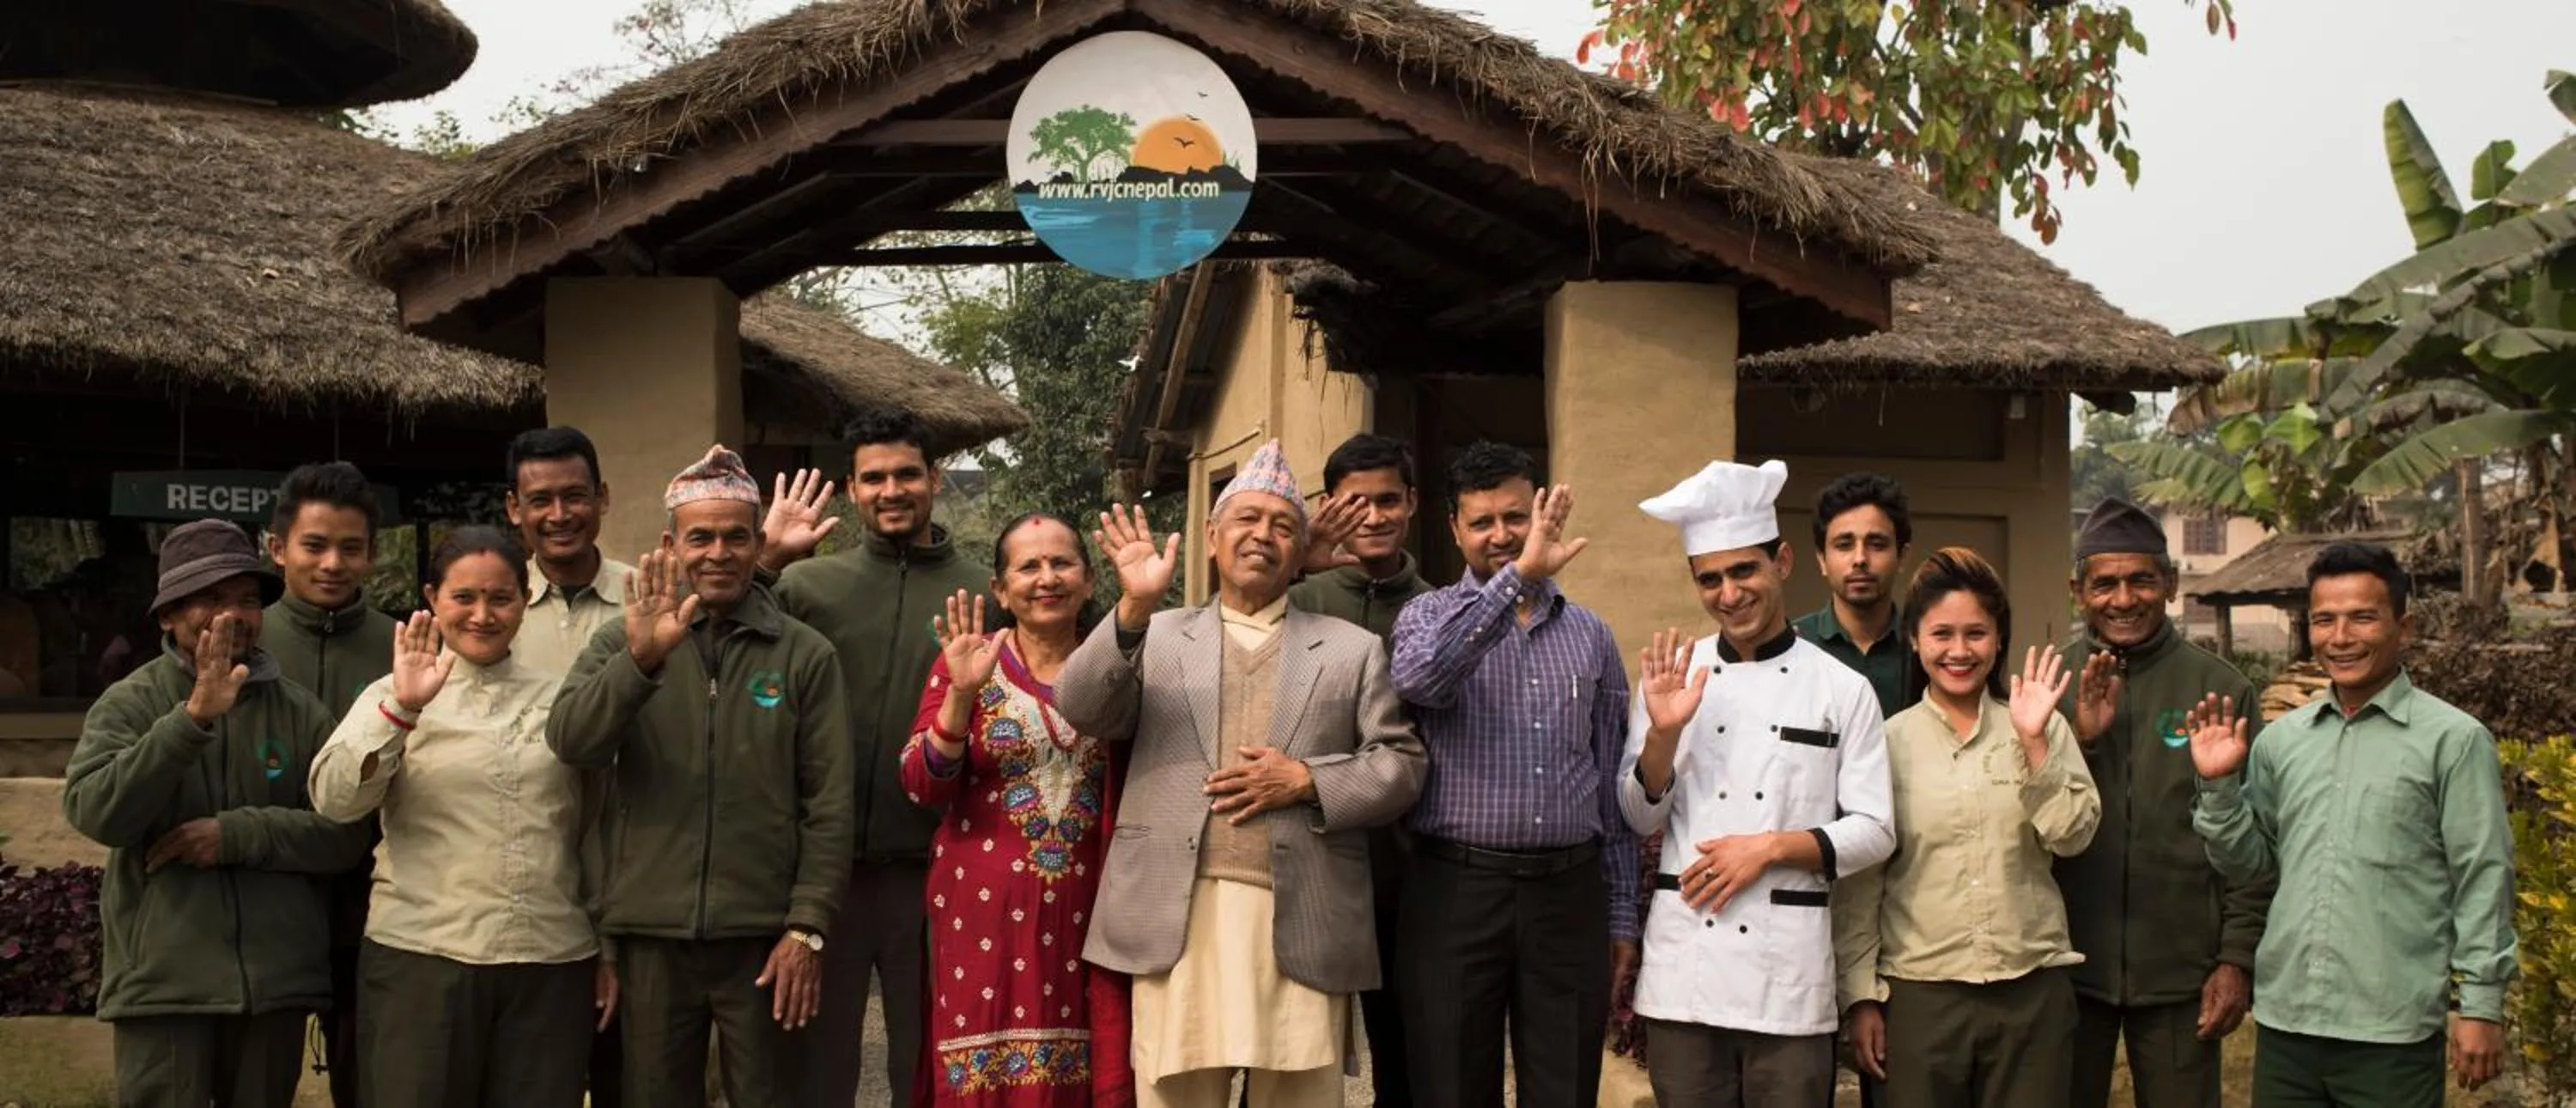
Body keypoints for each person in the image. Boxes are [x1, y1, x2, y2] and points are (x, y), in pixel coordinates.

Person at [1056, 440, 1426, 1108]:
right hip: (1178, 913)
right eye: (1247, 521)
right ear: (1211, 536)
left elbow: (1401, 767)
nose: (1264, 536)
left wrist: (1310, 780)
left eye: (1284, 527)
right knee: (1177, 1095)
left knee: (1299, 1095)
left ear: (1304, 549)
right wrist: (1133, 608)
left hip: (1304, 912)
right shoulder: (1159, 633)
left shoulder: (1352, 649)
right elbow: (1082, 707)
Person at [546, 446, 857, 1108]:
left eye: (735, 537)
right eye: (701, 537)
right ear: (671, 544)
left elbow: (829, 806)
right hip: (651, 938)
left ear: (757, 544)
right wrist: (640, 662)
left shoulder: (804, 655)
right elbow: (572, 743)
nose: (718, 553)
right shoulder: (619, 641)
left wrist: (807, 926)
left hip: (765, 938)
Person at [1613, 459, 1899, 1107]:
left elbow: (1876, 830)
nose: (1729, 593)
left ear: (1783, 562)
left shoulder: (1841, 689)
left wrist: (1769, 848)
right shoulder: (1671, 677)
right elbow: (1637, 817)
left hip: (1788, 978)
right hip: (1685, 973)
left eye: (1744, 570)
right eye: (1709, 579)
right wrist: (1661, 735)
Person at [2189, 542, 2515, 1106]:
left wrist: (2480, 1005)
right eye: (2324, 620)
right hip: (2288, 1021)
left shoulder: (2453, 742)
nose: (2340, 637)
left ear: (2403, 626)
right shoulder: (2282, 742)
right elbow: (2253, 867)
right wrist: (2219, 787)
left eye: (2362, 617)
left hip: (2391, 1030)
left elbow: (2483, 876)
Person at [63, 519, 372, 1108]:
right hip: (165, 989)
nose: (232, 615)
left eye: (247, 600)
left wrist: (238, 835)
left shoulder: (300, 712)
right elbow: (97, 813)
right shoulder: (130, 703)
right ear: (167, 616)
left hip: (275, 987)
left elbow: (346, 834)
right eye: (209, 599)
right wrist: (191, 721)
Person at [307, 527, 611, 1108]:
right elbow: (335, 800)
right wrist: (402, 710)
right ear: (431, 598)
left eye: (501, 598)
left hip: (550, 961)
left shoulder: (564, 699)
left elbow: (593, 829)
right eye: (463, 598)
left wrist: (607, 945)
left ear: (524, 601)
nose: (482, 615)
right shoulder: (390, 694)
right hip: (422, 959)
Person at [1385, 441, 1641, 1108]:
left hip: (1569, 894)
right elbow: (1421, 679)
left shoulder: (1592, 636)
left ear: (1539, 514)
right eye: (1481, 522)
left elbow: (1611, 781)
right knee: (1449, 1084)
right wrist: (1516, 582)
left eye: (1514, 517)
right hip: (1454, 890)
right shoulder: (1426, 616)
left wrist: (1619, 915)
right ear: (1454, 530)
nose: (1501, 536)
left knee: (1565, 1088)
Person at [761, 410, 993, 1108]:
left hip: (938, 869)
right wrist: (768, 561)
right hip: (822, 875)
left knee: (926, 1067)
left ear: (935, 479)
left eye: (906, 474)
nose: (891, 490)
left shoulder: (984, 594)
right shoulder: (806, 590)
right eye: (874, 478)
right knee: (816, 1068)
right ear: (850, 490)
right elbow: (720, 649)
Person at [1833, 548, 2101, 1108]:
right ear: (1913, 639)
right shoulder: (1887, 742)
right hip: (1919, 1000)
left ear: (1999, 638)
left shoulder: (2040, 725)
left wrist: (2033, 745)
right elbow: (1862, 883)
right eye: (1942, 634)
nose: (1959, 651)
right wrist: (1860, 998)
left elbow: (2074, 836)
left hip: (2032, 993)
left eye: (1976, 633)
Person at [898, 514, 1134, 1107]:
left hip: (1092, 915)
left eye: (1062, 563)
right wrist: (960, 696)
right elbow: (921, 784)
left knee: (1088, 1070)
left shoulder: (1121, 665)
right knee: (979, 1071)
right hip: (979, 917)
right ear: (1001, 590)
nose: (1046, 578)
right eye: (1028, 566)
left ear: (1087, 580)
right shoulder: (967, 664)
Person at [2053, 498, 2266, 1108]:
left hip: (2182, 972)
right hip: (2064, 967)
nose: (2124, 598)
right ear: (2078, 590)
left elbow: (2252, 844)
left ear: (2170, 584)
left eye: (2141, 579)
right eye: (2105, 583)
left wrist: (2235, 959)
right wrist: (2085, 740)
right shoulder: (2051, 687)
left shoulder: (2221, 690)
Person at [1284, 431, 1436, 1107]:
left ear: (1412, 504)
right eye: (1357, 502)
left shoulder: (1439, 610)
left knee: (1403, 1042)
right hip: (1300, 850)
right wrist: (1296, 566)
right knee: (1284, 1038)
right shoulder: (1296, 596)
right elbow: (1214, 640)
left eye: (1388, 501)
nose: (1374, 516)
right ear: (1328, 506)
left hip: (1403, 859)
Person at [254, 460, 398, 1108]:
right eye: (314, 546)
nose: (332, 564)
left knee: (369, 1079)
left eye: (351, 548)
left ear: (372, 556)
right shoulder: (243, 641)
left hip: (375, 904)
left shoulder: (408, 646)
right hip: (263, 899)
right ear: (277, 548)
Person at [501, 424, 627, 1108]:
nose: (559, 515)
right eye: (539, 499)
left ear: (602, 498)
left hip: (634, 884)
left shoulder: (652, 598)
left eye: (575, 496)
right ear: (513, 508)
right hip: (528, 892)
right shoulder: (490, 610)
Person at [1789, 473, 1914, 718]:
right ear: (1822, 560)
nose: (1860, 559)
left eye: (1876, 544)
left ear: (1902, 557)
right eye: (1844, 545)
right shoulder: (1793, 645)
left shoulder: (1927, 650)